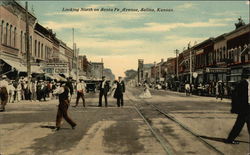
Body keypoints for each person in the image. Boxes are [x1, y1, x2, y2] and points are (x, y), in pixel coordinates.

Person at [225, 76, 250, 144]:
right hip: (244, 107)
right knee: (239, 124)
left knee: (240, 124)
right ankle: (230, 139)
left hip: (248, 107)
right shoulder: (243, 83)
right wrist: (236, 107)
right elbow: (235, 95)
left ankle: (230, 139)